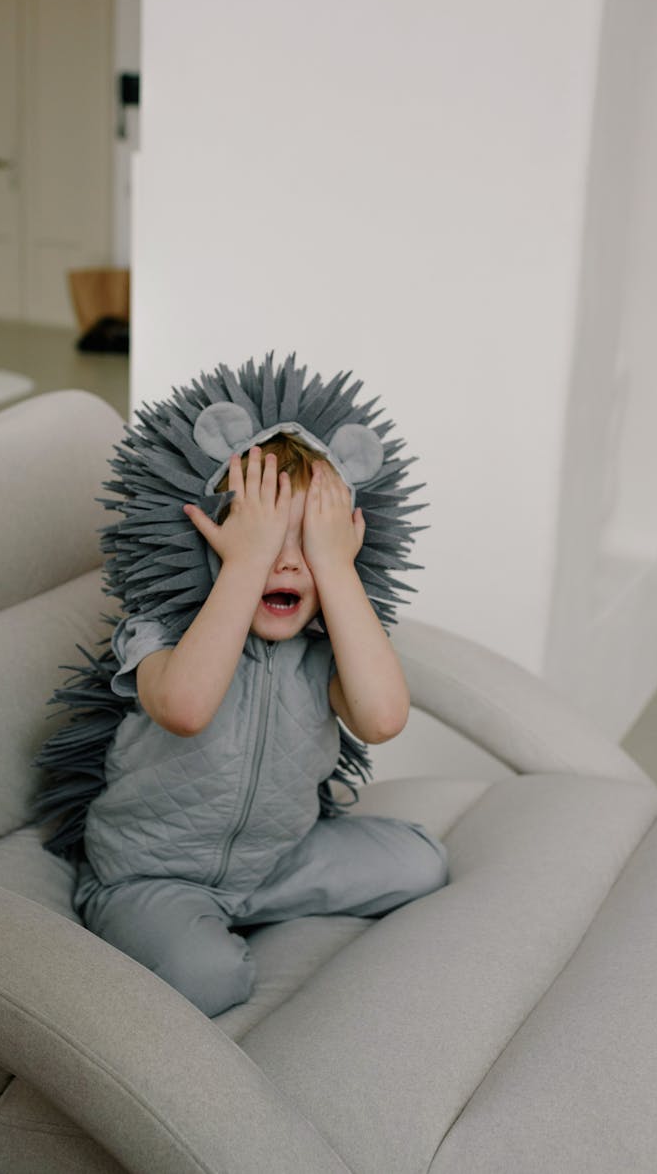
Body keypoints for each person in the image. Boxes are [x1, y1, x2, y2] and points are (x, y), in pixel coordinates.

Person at [71, 431, 448, 1018]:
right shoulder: (159, 631)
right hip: (150, 874)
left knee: (422, 863)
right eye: (262, 536)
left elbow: (381, 720)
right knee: (209, 978)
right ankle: (186, 924)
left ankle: (244, 906)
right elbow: (186, 709)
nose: (288, 561)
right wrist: (245, 563)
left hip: (276, 860)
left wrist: (336, 568)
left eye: (309, 543)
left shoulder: (324, 653)